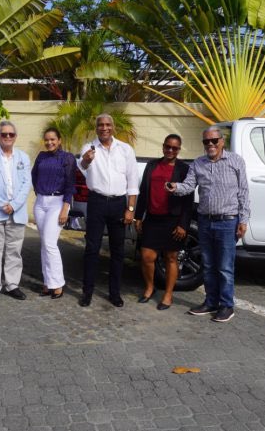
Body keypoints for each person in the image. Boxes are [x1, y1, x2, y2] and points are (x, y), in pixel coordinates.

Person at [166, 125, 249, 323]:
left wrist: (243, 219)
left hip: (228, 221)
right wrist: (175, 187)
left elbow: (244, 192)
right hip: (205, 221)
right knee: (209, 265)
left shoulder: (236, 161)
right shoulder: (198, 163)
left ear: (222, 141)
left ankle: (226, 306)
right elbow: (188, 186)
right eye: (206, 141)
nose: (210, 144)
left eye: (214, 141)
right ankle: (211, 302)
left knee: (225, 267)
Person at [78, 113, 139, 308]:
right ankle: (87, 292)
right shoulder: (88, 148)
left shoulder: (125, 149)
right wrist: (86, 160)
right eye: (100, 125)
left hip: (118, 204)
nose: (104, 128)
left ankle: (115, 293)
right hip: (96, 201)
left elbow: (132, 181)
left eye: (107, 125)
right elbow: (83, 168)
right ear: (96, 128)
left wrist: (130, 209)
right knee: (92, 249)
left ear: (113, 127)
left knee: (118, 251)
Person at [134, 134, 193, 310]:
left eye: (174, 148)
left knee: (171, 258)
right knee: (147, 256)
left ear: (179, 149)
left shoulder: (183, 169)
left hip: (173, 220)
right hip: (152, 218)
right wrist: (138, 216)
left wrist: (183, 224)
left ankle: (168, 295)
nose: (170, 150)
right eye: (167, 146)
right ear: (163, 146)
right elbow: (143, 191)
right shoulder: (152, 165)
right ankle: (150, 288)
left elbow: (188, 199)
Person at [0, 121, 32, 303]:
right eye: (4, 134)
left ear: (15, 136)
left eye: (11, 134)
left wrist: (14, 204)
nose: (7, 137)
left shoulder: (23, 157)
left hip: (16, 212)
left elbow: (27, 184)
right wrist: (3, 204)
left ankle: (12, 285)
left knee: (14, 250)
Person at [31, 127, 76, 299]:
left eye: (53, 139)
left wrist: (65, 208)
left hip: (58, 203)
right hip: (41, 202)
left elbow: (71, 185)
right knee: (44, 243)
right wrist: (39, 192)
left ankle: (57, 284)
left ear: (59, 140)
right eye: (47, 139)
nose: (49, 142)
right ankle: (47, 282)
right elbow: (34, 175)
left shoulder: (67, 158)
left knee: (50, 243)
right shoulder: (41, 156)